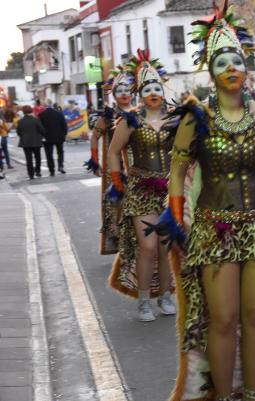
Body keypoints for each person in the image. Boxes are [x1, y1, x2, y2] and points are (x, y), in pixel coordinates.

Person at [147, 3, 255, 399]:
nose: (231, 67)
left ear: (246, 65)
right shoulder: (194, 118)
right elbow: (178, 171)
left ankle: (252, 393)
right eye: (222, 61)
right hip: (212, 230)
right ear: (210, 69)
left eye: (237, 59)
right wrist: (176, 217)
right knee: (222, 318)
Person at [107, 49, 177, 322]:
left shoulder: (175, 118)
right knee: (147, 247)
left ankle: (165, 295)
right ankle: (144, 300)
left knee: (165, 246)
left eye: (156, 87)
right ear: (140, 93)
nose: (152, 92)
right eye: (146, 88)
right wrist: (117, 180)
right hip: (140, 189)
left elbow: (187, 151)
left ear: (162, 89)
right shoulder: (131, 120)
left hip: (168, 190)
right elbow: (114, 151)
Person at [85, 66, 134, 254]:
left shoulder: (140, 113)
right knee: (116, 204)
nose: (123, 94)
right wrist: (95, 161)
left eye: (126, 90)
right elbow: (94, 138)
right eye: (119, 91)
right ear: (113, 95)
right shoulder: (108, 116)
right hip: (115, 167)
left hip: (137, 166)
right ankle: (119, 239)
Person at [38, 100, 68, 176]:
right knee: (60, 152)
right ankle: (60, 166)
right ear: (52, 105)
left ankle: (52, 170)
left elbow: (40, 128)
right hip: (59, 137)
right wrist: (64, 135)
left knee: (49, 154)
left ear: (45, 105)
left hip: (47, 138)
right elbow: (64, 126)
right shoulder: (59, 114)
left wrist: (42, 136)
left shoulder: (41, 115)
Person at [16, 105, 44, 180]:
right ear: (31, 111)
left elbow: (18, 132)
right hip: (36, 141)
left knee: (29, 159)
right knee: (37, 157)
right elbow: (42, 130)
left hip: (25, 142)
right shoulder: (36, 120)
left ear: (23, 112)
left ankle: (31, 174)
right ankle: (38, 171)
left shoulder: (21, 121)